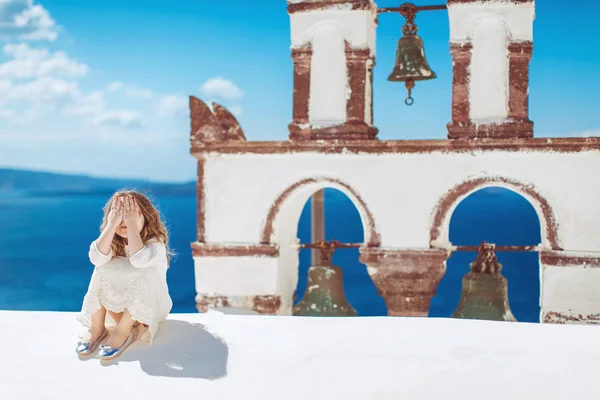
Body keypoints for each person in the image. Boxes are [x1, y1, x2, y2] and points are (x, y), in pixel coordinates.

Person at [75, 191, 173, 360]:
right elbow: (96, 257)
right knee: (102, 264)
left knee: (144, 269)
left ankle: (123, 333)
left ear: (147, 217)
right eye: (119, 215)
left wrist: (133, 228)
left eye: (131, 215)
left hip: (146, 312)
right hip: (120, 309)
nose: (125, 221)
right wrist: (111, 226)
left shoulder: (155, 244)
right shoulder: (114, 241)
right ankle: (97, 327)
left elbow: (140, 260)